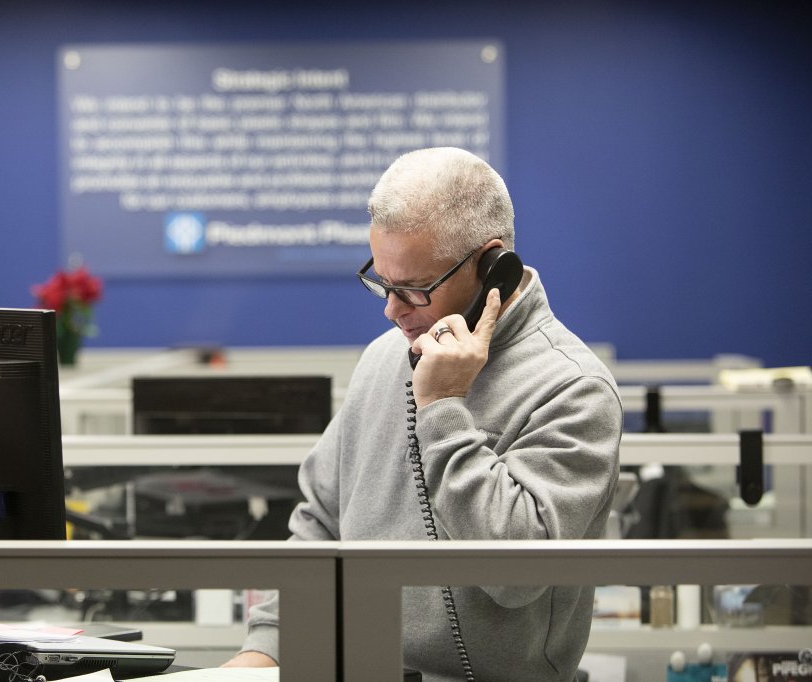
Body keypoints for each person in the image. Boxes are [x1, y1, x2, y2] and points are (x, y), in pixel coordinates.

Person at [224, 147, 623, 681]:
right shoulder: (383, 360)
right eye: (381, 282)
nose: (392, 310)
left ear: (493, 267)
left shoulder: (573, 388)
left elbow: (516, 573)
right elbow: (321, 523)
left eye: (413, 289)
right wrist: (265, 650)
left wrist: (442, 408)